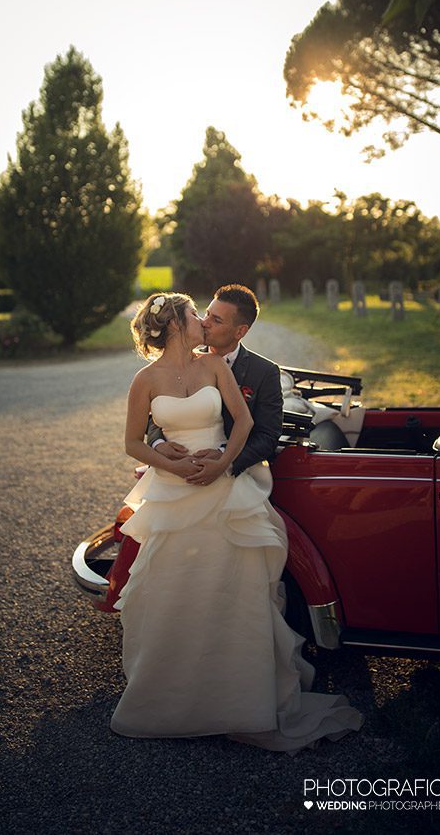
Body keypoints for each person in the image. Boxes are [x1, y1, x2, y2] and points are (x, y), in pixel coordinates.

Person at [110, 289, 364, 752]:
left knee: (232, 588)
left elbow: (251, 427)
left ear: (239, 329)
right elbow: (137, 439)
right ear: (176, 325)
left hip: (225, 486)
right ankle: (173, 700)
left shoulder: (223, 367)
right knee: (172, 590)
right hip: (174, 491)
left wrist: (223, 463)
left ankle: (241, 703)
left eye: (213, 317)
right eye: (198, 314)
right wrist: (167, 457)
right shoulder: (145, 378)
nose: (204, 322)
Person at [147, 283, 283, 478]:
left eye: (216, 320)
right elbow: (159, 411)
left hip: (233, 472)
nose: (204, 322)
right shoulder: (180, 359)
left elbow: (267, 436)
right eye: (207, 314)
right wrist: (158, 444)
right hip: (176, 468)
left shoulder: (264, 372)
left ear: (240, 331)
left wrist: (224, 459)